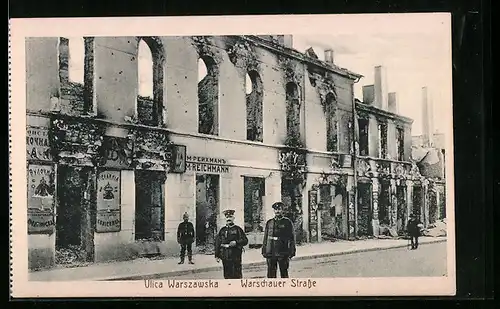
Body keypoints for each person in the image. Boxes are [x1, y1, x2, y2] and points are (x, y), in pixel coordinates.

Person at [262, 202, 296, 278]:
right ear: (273, 210)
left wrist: (291, 251)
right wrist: (264, 250)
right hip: (271, 251)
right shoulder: (269, 222)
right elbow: (266, 237)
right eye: (275, 209)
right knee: (271, 273)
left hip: (282, 251)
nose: (277, 211)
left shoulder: (287, 222)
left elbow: (292, 237)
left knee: (284, 273)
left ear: (282, 210)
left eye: (279, 209)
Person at [214, 209, 248, 279]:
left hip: (235, 255)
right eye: (227, 217)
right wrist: (217, 255)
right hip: (225, 255)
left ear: (233, 218)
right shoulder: (222, 230)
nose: (229, 219)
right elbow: (218, 242)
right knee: (227, 274)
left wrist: (236, 242)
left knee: (236, 274)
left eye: (230, 217)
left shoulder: (238, 229)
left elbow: (245, 240)